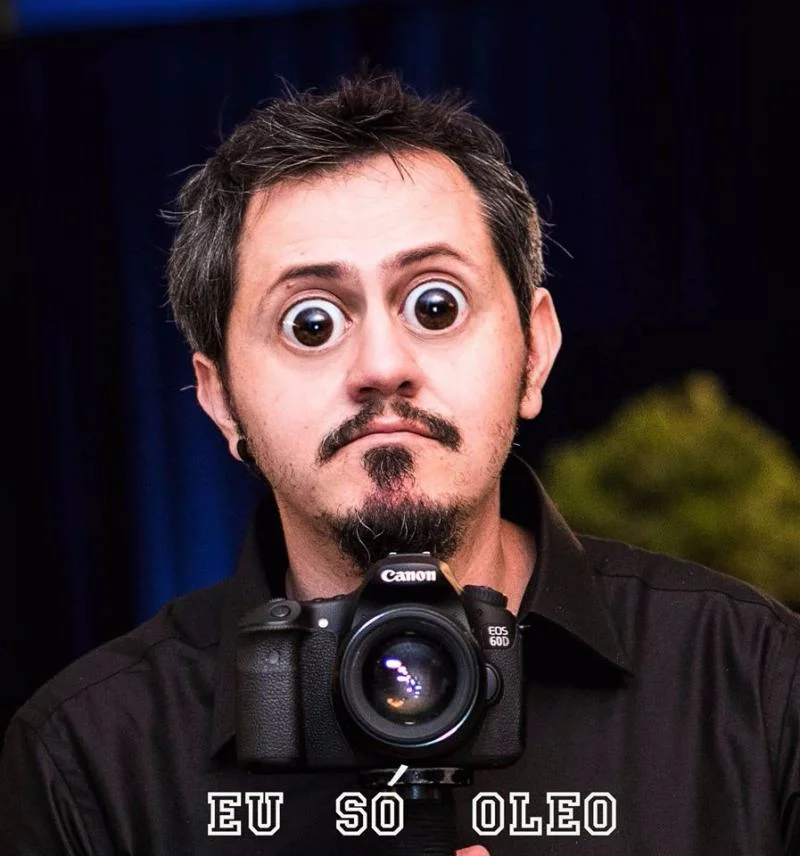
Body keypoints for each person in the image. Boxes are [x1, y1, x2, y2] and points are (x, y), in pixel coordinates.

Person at [1, 70, 798, 856]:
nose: (382, 365)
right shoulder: (90, 759)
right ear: (221, 400)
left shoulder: (757, 683)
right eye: (311, 324)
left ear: (534, 353)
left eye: (435, 305)